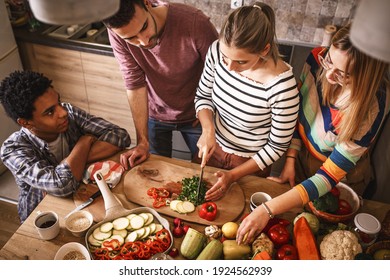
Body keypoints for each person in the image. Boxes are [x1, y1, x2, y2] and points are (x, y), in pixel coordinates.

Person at [236, 24, 390, 244]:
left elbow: (327, 177)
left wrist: (267, 210)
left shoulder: (373, 107)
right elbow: (299, 112)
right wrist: (291, 158)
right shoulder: (316, 59)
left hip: (342, 178)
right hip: (301, 158)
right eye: (330, 61)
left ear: (366, 78)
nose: (328, 74)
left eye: (342, 74)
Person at [194, 2, 299, 201]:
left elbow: (276, 147)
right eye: (226, 58)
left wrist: (233, 175)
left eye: (241, 61)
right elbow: (203, 96)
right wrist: (208, 130)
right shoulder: (216, 51)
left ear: (265, 49)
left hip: (249, 164)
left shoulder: (282, 87)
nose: (230, 67)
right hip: (212, 149)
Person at [0, 71, 131, 223]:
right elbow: (61, 186)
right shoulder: (12, 150)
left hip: (84, 195)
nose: (63, 112)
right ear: (26, 123)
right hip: (42, 216)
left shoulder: (68, 112)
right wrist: (84, 141)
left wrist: (70, 163)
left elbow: (120, 136)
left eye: (59, 102)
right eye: (50, 112)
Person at [102, 0, 218, 169]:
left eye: (143, 27)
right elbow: (134, 82)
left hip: (197, 115)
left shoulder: (195, 23)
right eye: (131, 38)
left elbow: (220, 74)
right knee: (154, 171)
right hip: (155, 114)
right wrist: (142, 141)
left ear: (147, 3)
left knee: (204, 170)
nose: (143, 41)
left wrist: (207, 114)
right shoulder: (116, 33)